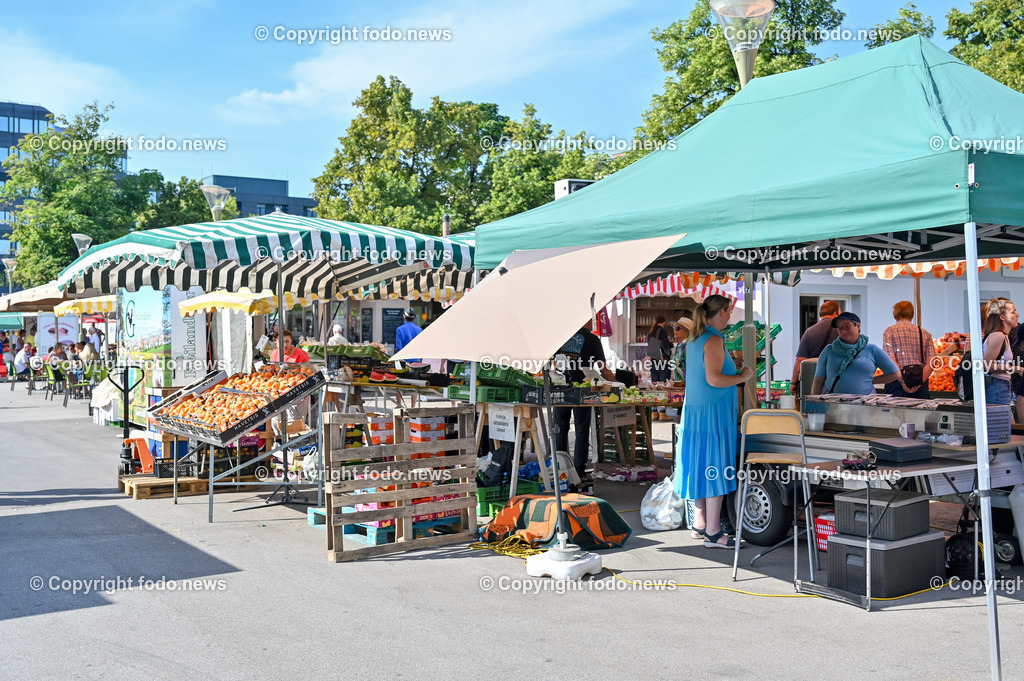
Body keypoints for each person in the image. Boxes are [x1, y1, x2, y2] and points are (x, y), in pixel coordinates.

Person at [675, 295, 754, 549]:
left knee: (699, 466)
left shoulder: (695, 339)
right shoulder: (714, 339)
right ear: (723, 312)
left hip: (696, 413)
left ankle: (699, 524)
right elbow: (714, 379)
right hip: (713, 415)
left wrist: (733, 370)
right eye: (729, 312)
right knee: (715, 469)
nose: (730, 317)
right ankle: (713, 532)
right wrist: (742, 376)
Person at [554, 322, 616, 479]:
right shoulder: (592, 339)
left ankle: (560, 469)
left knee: (561, 428)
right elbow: (604, 369)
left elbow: (551, 362)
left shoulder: (561, 335)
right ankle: (579, 471)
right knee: (582, 430)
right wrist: (616, 384)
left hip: (560, 387)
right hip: (583, 389)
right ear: (587, 320)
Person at [810, 312, 901, 395]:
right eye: (840, 328)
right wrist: (813, 403)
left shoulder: (872, 350)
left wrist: (870, 381)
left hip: (864, 404)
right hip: (832, 405)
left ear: (858, 325)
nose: (843, 330)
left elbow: (895, 374)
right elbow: (818, 380)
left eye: (847, 326)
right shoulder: (829, 350)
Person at [881, 301, 935, 398]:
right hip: (920, 383)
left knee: (895, 412)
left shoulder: (889, 332)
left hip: (896, 383)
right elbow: (931, 362)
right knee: (920, 412)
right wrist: (919, 381)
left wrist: (903, 380)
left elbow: (890, 359)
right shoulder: (925, 333)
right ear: (912, 314)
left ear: (894, 314)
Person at [981, 298, 1021, 406]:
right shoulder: (998, 336)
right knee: (1001, 421)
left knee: (1006, 421)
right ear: (1002, 317)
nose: (1018, 315)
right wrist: (1017, 369)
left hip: (1000, 385)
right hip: (996, 386)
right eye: (1013, 312)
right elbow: (986, 366)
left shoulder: (1003, 336)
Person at [791, 300, 840, 389]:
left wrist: (793, 383)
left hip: (813, 379)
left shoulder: (809, 331)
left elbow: (800, 360)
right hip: (836, 380)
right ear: (835, 313)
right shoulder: (841, 331)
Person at [646, 315, 672, 383]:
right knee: (662, 386)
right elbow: (666, 345)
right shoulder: (662, 331)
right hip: (661, 361)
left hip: (653, 362)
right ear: (664, 322)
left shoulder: (651, 332)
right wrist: (671, 344)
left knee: (654, 385)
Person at [670, 317, 692, 384]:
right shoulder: (679, 346)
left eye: (678, 328)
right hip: (680, 385)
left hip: (687, 385)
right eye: (674, 328)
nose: (675, 330)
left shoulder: (687, 345)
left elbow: (691, 367)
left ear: (687, 331)